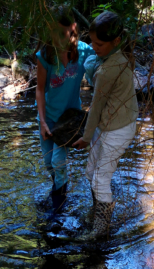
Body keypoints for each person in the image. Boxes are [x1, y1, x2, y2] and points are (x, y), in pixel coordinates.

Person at [72, 11, 139, 238]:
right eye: (92, 42)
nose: (94, 47)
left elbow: (96, 107)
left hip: (118, 128)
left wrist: (86, 137)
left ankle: (100, 230)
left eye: (99, 44)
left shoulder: (109, 70)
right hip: (110, 122)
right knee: (91, 171)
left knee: (100, 178)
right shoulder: (114, 56)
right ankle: (98, 209)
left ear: (116, 42)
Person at [35, 6, 95, 215]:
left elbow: (104, 61)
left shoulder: (86, 52)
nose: (57, 38)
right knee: (49, 164)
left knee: (58, 162)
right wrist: (42, 122)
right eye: (53, 33)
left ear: (73, 28)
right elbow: (40, 90)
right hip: (47, 117)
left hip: (69, 119)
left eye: (62, 33)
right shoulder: (45, 55)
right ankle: (58, 191)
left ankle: (58, 209)